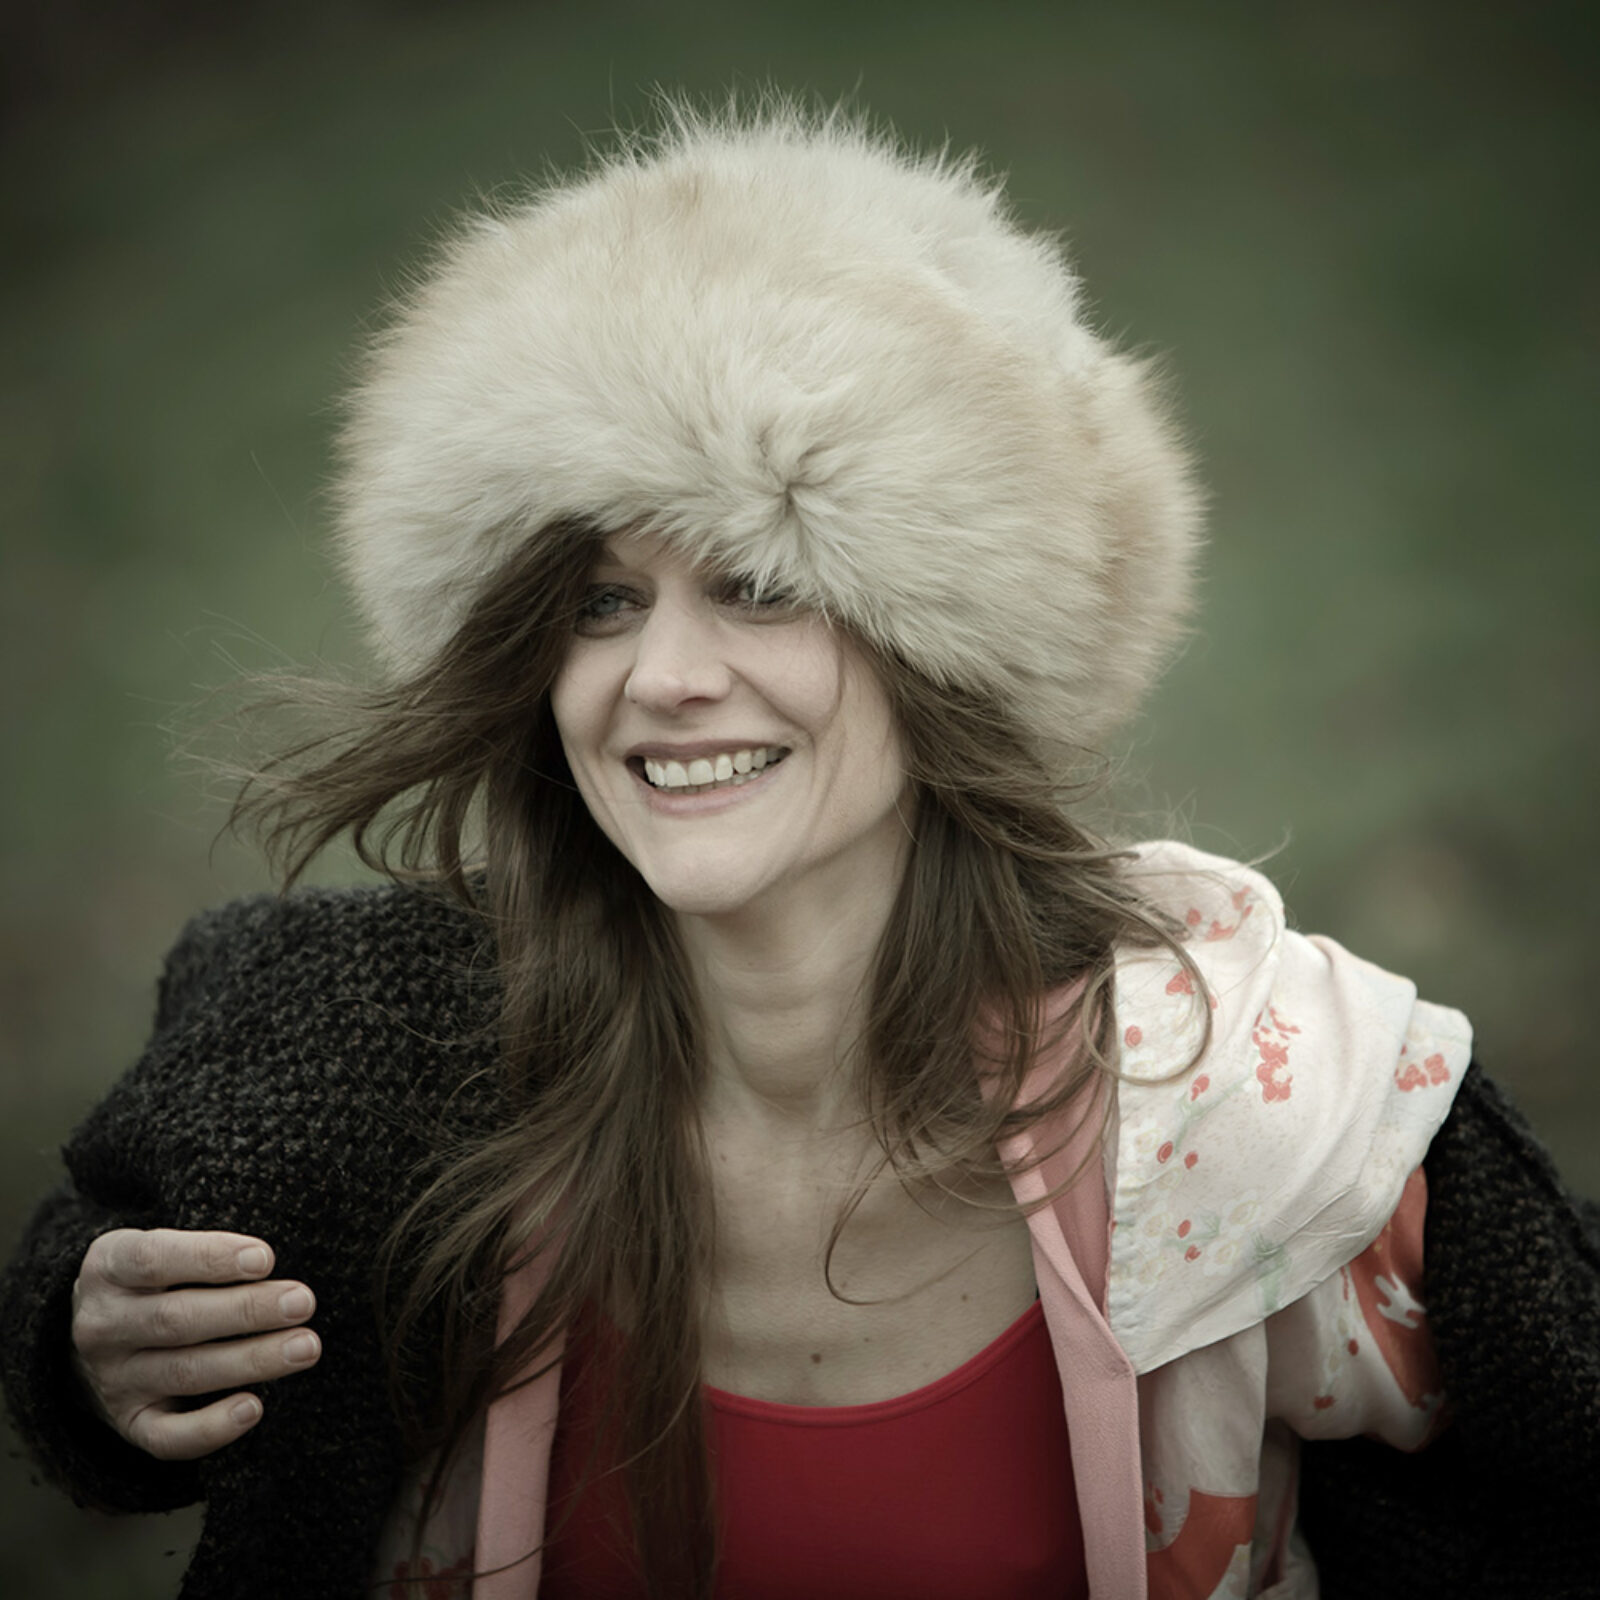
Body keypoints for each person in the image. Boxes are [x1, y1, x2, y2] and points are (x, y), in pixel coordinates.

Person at [3, 101, 1597, 1600]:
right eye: (601, 601)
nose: (662, 676)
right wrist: (90, 1351)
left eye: (756, 582)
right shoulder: (364, 1062)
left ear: (938, 648)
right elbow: (111, 1264)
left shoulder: (1260, 1095)